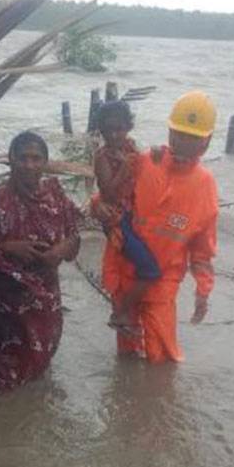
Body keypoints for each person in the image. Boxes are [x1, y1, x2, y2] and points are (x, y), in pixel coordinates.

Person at [100, 91, 219, 363]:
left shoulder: (205, 185)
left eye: (192, 137)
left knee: (162, 359)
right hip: (124, 274)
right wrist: (97, 208)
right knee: (126, 355)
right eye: (178, 133)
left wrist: (203, 291)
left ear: (207, 141)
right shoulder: (144, 162)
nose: (183, 142)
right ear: (169, 131)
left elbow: (203, 249)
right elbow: (113, 197)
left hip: (163, 282)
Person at [0, 131, 81, 390]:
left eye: (36, 158)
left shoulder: (56, 198)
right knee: (3, 376)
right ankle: (3, 422)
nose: (29, 165)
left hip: (44, 301)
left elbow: (75, 238)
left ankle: (31, 418)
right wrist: (8, 247)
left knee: (38, 367)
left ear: (45, 162)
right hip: (4, 306)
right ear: (10, 160)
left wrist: (60, 250)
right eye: (22, 158)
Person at [92, 100, 161, 335]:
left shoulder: (131, 148)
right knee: (149, 269)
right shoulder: (102, 157)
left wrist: (158, 155)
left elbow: (149, 171)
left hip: (134, 214)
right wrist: (123, 168)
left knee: (141, 266)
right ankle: (120, 312)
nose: (114, 135)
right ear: (101, 131)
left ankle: (127, 315)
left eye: (119, 129)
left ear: (128, 127)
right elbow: (108, 192)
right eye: (108, 130)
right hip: (116, 220)